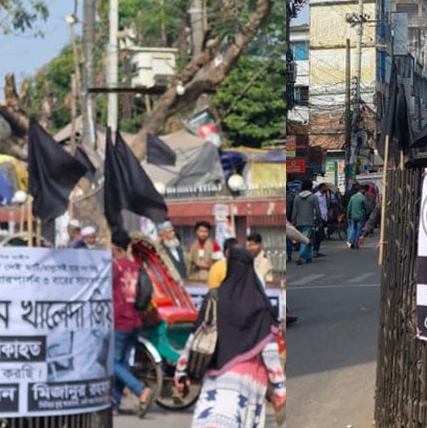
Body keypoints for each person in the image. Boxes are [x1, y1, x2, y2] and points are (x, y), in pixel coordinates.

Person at [175, 248, 285, 427]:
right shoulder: (259, 303)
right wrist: (279, 389)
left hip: (214, 376)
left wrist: (181, 371)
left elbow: (196, 336)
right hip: (249, 380)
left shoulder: (214, 298)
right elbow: (270, 352)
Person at [110, 232, 154, 417]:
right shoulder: (135, 267)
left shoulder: (114, 267)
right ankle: (114, 405)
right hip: (136, 319)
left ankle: (140, 390)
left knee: (112, 362)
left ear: (115, 247)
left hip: (120, 320)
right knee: (122, 363)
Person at [291, 180, 318, 264]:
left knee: (305, 238)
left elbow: (294, 211)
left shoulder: (296, 197)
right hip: (309, 222)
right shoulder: (313, 197)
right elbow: (317, 210)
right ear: (310, 187)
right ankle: (300, 256)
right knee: (305, 240)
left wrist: (293, 221)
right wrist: (319, 220)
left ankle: (308, 256)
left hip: (299, 222)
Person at [346, 184, 371, 249]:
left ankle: (350, 242)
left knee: (353, 229)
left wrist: (348, 216)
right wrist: (368, 214)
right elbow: (367, 208)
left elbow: (349, 207)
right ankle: (356, 244)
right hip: (361, 217)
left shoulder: (352, 197)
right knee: (359, 230)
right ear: (362, 190)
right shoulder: (363, 198)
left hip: (353, 216)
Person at [312, 183, 329, 257]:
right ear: (322, 187)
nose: (327, 188)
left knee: (320, 235)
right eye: (326, 187)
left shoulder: (325, 196)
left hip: (324, 217)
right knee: (317, 235)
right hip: (318, 217)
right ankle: (315, 251)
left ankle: (317, 250)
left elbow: (324, 206)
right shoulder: (316, 196)